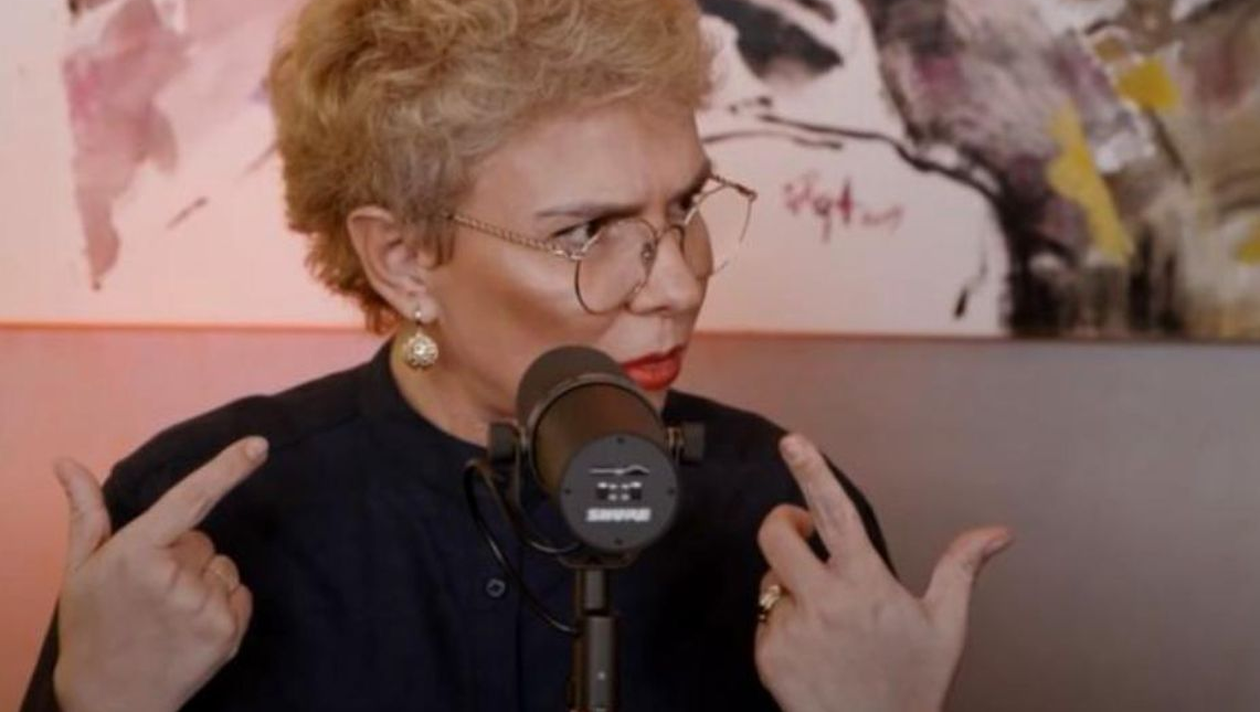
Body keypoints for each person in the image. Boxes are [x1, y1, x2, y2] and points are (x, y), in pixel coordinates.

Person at [22, 0, 1012, 710]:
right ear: (404, 258)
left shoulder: (783, 518)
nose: (676, 283)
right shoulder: (195, 518)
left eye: (684, 208)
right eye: (587, 232)